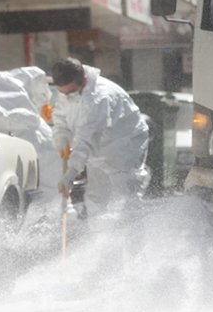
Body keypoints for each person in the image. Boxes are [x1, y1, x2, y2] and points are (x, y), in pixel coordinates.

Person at [51, 57, 149, 216]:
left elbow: (88, 136)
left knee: (126, 193)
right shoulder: (69, 92)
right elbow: (61, 117)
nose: (66, 96)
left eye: (70, 92)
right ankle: (97, 236)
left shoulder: (100, 97)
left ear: (82, 81)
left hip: (123, 144)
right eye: (63, 93)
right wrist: (62, 137)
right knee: (97, 196)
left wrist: (71, 172)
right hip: (97, 148)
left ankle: (132, 237)